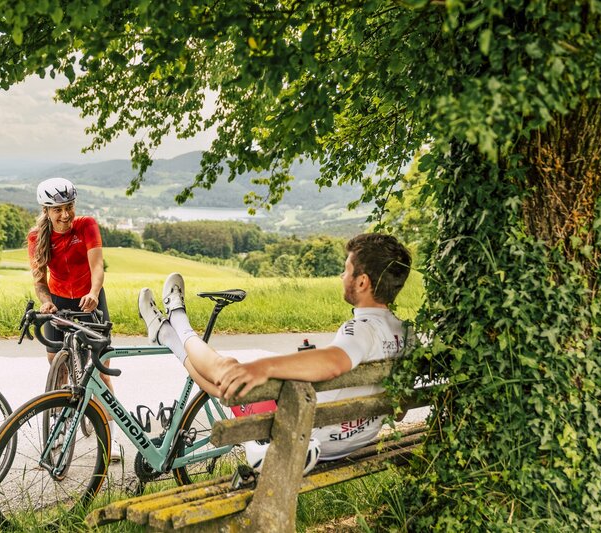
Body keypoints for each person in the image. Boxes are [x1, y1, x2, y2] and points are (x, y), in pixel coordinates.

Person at [138, 233, 412, 473]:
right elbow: (399, 410)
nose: (342, 277)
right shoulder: (405, 332)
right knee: (222, 383)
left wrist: (262, 367)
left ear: (362, 282)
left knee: (226, 372)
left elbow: (334, 363)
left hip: (304, 437)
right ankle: (166, 329)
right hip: (349, 440)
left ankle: (175, 319)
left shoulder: (361, 330)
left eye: (346, 270)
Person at [27, 177, 121, 460]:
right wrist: (45, 303)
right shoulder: (36, 238)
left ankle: (112, 435)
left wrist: (93, 292)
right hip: (58, 303)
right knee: (58, 367)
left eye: (69, 207)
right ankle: (59, 422)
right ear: (46, 211)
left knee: (103, 371)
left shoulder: (86, 225)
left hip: (89, 299)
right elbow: (39, 281)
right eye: (58, 209)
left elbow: (97, 268)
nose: (66, 215)